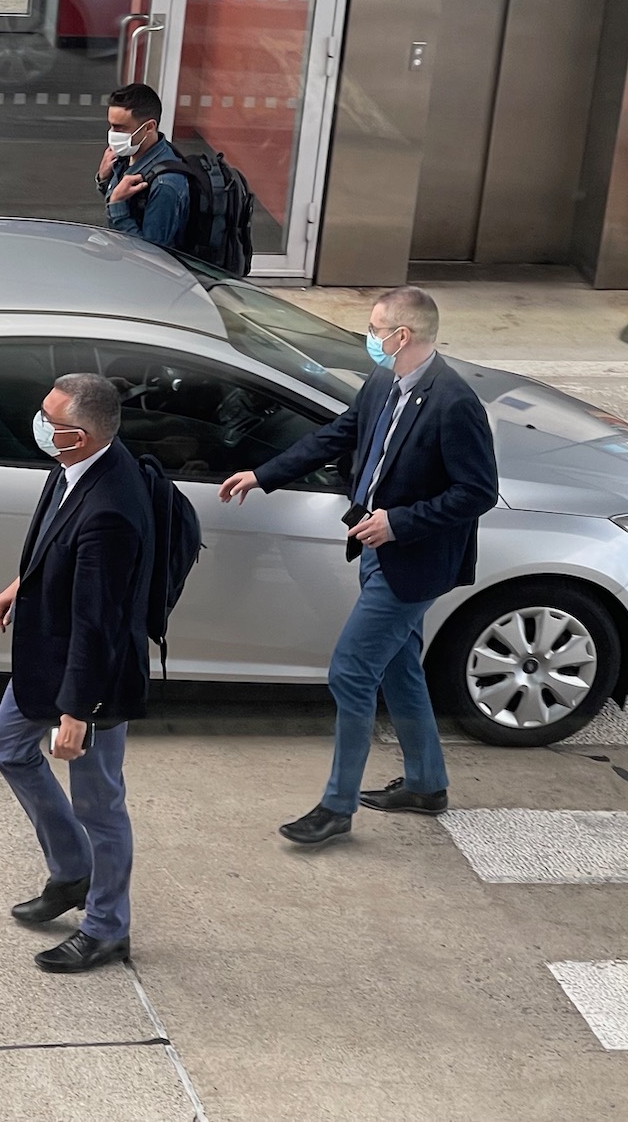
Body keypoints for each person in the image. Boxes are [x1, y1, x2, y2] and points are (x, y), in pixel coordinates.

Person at [217, 286, 499, 847]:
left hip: (413, 561)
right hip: (376, 551)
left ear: (403, 337)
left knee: (350, 670)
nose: (368, 338)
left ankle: (337, 806)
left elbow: (478, 492)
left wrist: (399, 523)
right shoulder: (383, 380)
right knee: (398, 667)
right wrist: (265, 474)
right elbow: (340, 434)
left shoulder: (454, 403)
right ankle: (425, 783)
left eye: (375, 329)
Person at [0, 373, 154, 973]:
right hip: (47, 654)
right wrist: (22, 582)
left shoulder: (112, 509)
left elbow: (98, 624)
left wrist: (77, 713)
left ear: (80, 436)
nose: (38, 425)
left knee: (100, 803)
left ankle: (108, 928)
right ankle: (72, 870)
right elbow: (56, 541)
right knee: (6, 748)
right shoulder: (73, 464)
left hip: (92, 678)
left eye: (49, 419)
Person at [95, 82, 190, 251]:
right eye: (111, 125)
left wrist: (117, 203)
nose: (113, 134)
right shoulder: (127, 155)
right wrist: (104, 179)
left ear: (148, 127)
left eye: (120, 128)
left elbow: (152, 253)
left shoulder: (166, 184)